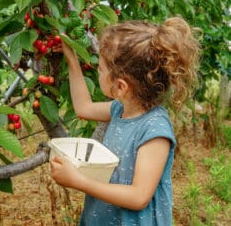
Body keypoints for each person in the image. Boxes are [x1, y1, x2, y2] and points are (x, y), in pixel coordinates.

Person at [50, 17, 200, 225]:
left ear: (120, 87)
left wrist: (79, 181)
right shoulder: (120, 109)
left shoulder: (155, 129)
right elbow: (83, 108)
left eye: (101, 70)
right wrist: (71, 58)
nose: (97, 71)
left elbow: (139, 197)